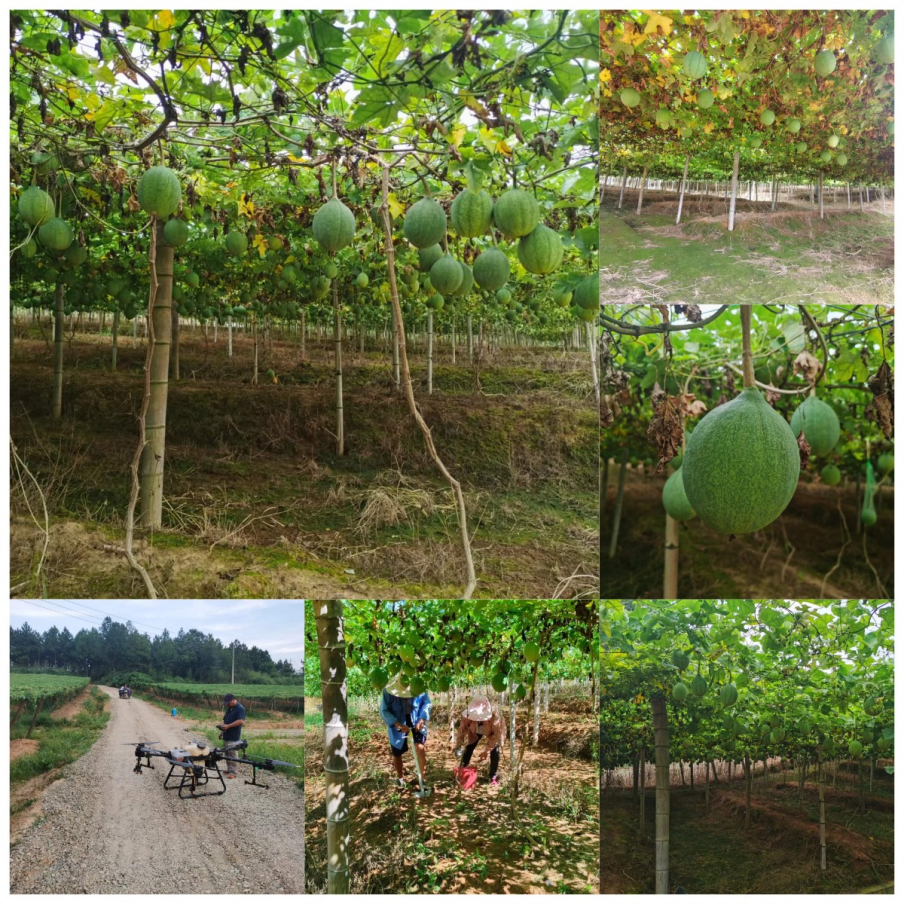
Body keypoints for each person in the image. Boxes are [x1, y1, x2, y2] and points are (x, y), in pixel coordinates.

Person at [380, 675, 431, 789]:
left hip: (417, 721)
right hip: (397, 724)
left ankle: (423, 779)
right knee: (397, 752)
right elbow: (384, 710)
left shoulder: (419, 687)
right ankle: (400, 779)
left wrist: (422, 719)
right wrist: (397, 724)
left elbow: (426, 704)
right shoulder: (388, 692)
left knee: (420, 747)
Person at [455, 695, 506, 786]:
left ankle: (493, 776)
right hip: (475, 730)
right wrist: (458, 746)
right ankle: (462, 769)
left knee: (495, 751)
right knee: (469, 747)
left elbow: (495, 736)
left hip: (492, 732)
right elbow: (462, 730)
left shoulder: (495, 717)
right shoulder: (468, 716)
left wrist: (486, 752)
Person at [216, 693, 246, 778]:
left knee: (233, 753)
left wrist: (228, 726)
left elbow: (240, 721)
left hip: (233, 735)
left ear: (233, 700)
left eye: (228, 702)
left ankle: (233, 772)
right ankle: (229, 769)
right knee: (227, 753)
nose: (227, 704)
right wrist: (221, 732)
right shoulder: (230, 709)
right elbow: (226, 721)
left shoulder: (240, 708)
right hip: (226, 734)